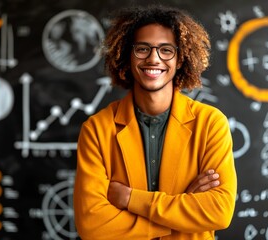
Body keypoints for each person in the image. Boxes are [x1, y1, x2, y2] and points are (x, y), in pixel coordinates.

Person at [73, 4, 237, 240]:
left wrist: (130, 199)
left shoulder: (210, 123)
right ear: (127, 56)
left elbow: (220, 212)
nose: (153, 58)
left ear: (180, 59)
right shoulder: (97, 129)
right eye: (142, 49)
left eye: (166, 50)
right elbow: (92, 225)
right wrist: (181, 209)